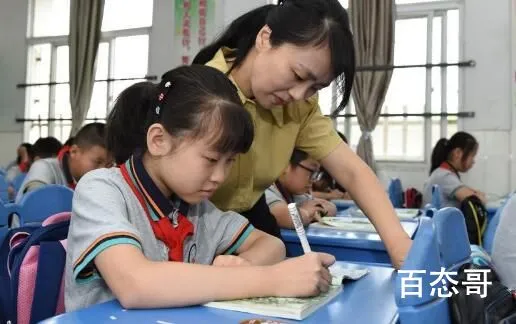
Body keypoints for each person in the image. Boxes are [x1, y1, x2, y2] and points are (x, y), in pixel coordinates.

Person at [65, 65, 336, 312]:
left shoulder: (196, 208)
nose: (220, 176)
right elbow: (135, 284)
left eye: (229, 162)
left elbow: (270, 244)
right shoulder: (102, 189)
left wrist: (246, 266)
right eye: (210, 159)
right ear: (159, 140)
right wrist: (269, 279)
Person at [193, 0, 411, 268]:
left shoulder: (299, 108)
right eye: (297, 75)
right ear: (265, 38)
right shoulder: (200, 91)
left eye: (314, 87)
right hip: (191, 227)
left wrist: (400, 245)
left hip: (253, 227)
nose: (298, 94)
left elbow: (352, 172)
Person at [15, 123, 108, 202]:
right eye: (98, 162)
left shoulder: (95, 182)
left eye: (109, 165)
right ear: (74, 152)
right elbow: (36, 205)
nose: (103, 170)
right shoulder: (43, 167)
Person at [265, 149, 337, 228]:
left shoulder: (293, 194)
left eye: (316, 174)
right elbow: (290, 219)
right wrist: (306, 212)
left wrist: (311, 211)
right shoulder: (266, 191)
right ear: (285, 166)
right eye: (311, 172)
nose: (313, 180)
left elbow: (331, 207)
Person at [422, 131, 485, 208]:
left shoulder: (442, 173)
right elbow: (476, 202)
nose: (473, 161)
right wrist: (478, 195)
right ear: (457, 153)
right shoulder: (445, 176)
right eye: (472, 155)